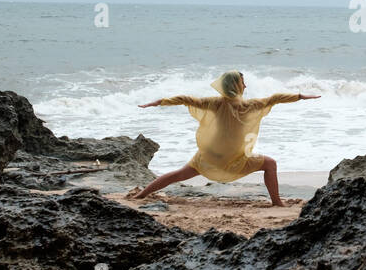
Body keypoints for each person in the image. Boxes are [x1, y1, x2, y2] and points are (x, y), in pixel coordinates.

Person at [131, 70, 319, 207]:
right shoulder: (251, 105)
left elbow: (186, 99)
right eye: (242, 82)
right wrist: (300, 96)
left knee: (177, 175)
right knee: (270, 164)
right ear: (236, 85)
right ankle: (277, 202)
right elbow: (275, 98)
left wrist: (159, 102)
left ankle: (141, 194)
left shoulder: (214, 103)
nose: (245, 86)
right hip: (235, 160)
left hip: (210, 157)